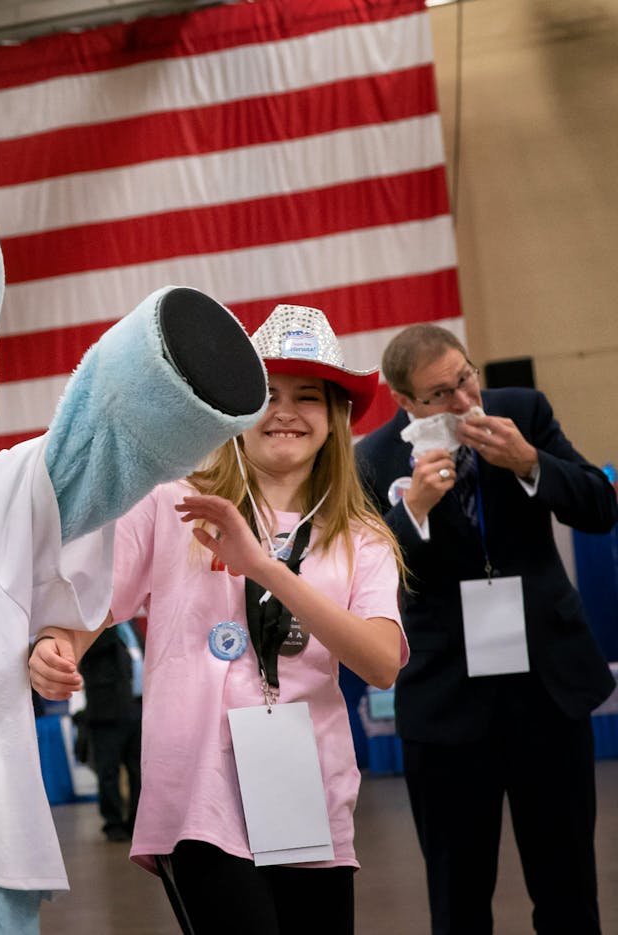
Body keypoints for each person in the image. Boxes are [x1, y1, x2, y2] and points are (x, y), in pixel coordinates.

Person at [31, 304, 407, 935]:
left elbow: (382, 662)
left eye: (308, 396)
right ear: (239, 410)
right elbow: (90, 603)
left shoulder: (361, 537)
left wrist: (265, 568)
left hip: (305, 790)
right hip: (197, 787)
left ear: (336, 418)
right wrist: (54, 645)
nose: (285, 411)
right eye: (270, 394)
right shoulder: (171, 502)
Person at [355, 324, 617, 935]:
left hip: (547, 689)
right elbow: (367, 582)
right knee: (458, 896)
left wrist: (530, 463)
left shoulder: (522, 411)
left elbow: (600, 508)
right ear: (405, 403)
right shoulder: (374, 459)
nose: (465, 401)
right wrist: (412, 509)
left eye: (465, 378)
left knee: (569, 886)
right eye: (440, 394)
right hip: (447, 705)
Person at [74, 621, 141, 842]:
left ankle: (136, 821)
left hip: (137, 707)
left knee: (138, 771)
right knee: (108, 772)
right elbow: (88, 651)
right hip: (106, 711)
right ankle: (112, 823)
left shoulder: (131, 625)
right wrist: (110, 617)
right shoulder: (95, 626)